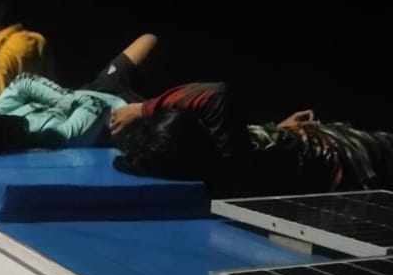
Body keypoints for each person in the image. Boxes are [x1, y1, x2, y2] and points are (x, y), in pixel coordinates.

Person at [110, 82, 393, 196]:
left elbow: (255, 153)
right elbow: (214, 94)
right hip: (352, 156)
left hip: (327, 145)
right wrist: (142, 109)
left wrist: (280, 129)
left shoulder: (217, 160)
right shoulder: (229, 162)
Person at [0, 33, 159, 147]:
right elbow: (95, 105)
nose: (21, 121)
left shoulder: (0, 111)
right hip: (124, 111)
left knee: (149, 39)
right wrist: (70, 100)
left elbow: (23, 81)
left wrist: (64, 98)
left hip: (95, 88)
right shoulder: (59, 138)